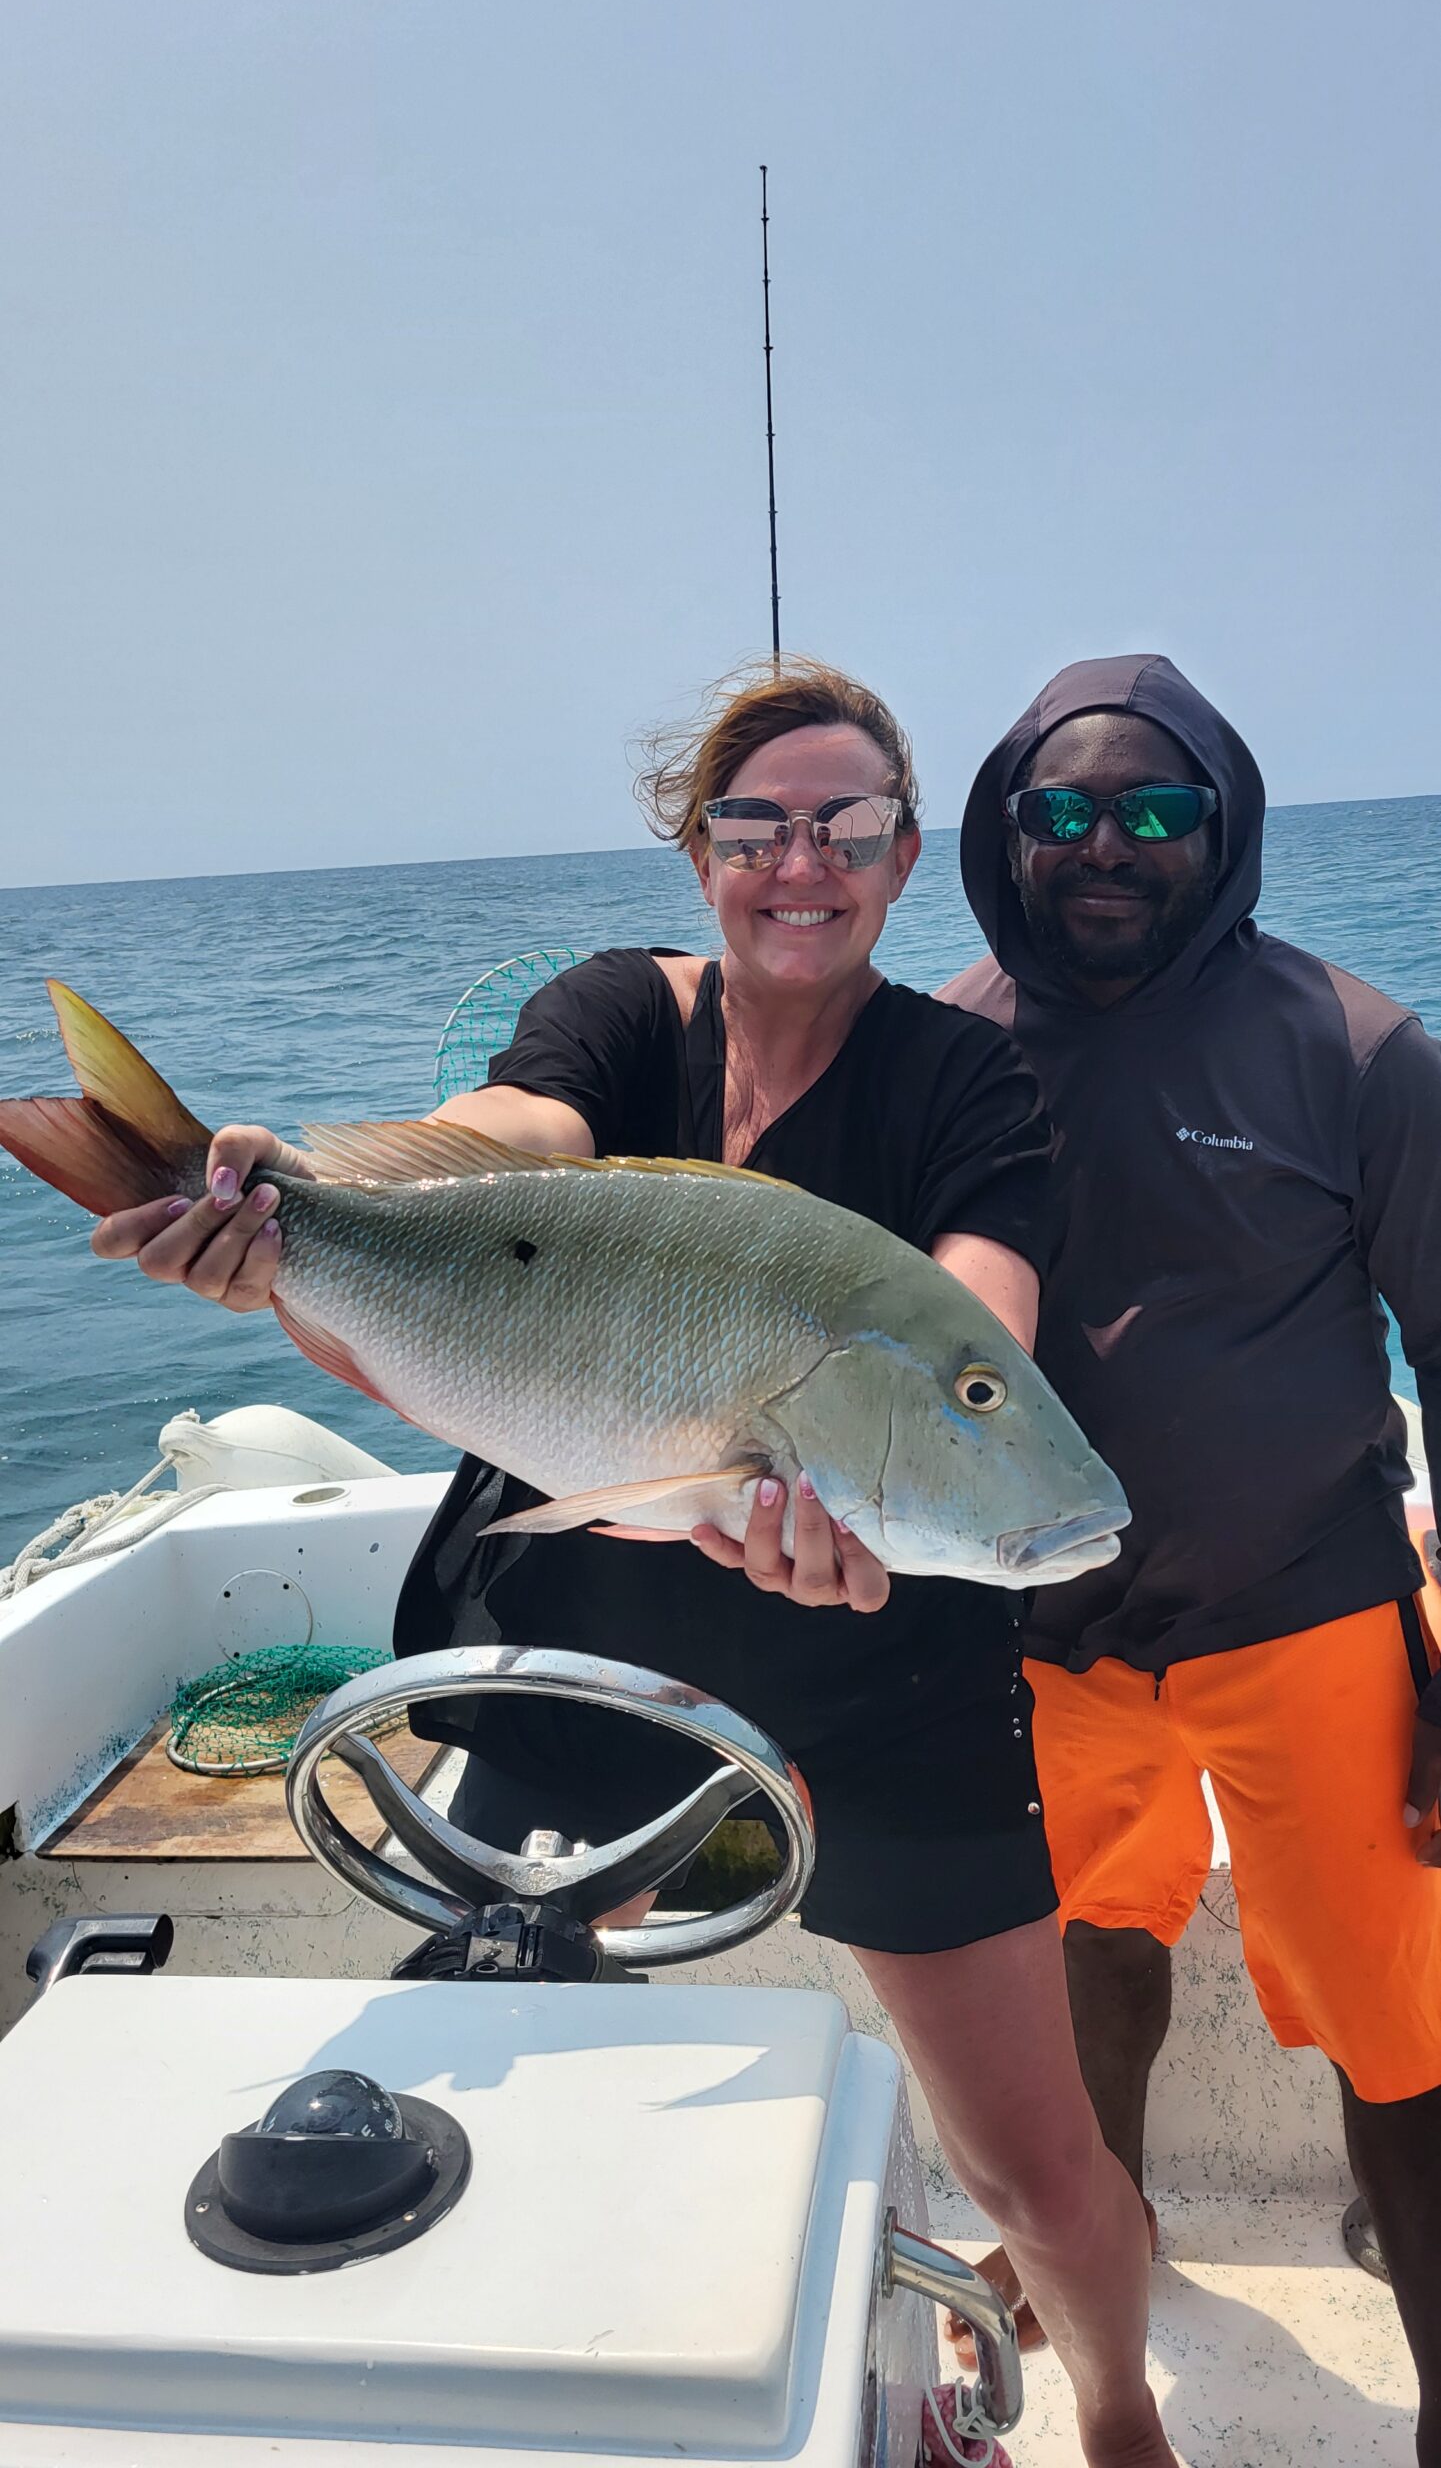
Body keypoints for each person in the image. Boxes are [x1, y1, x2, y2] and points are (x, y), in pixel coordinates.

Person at [92, 657, 1177, 2468]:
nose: (799, 858)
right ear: (699, 853)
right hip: (577, 1653)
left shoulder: (968, 1080)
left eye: (845, 823)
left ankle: (1123, 2418)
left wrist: (925, 1468)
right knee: (489, 2070)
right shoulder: (606, 1016)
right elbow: (506, 1159)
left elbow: (971, 1327)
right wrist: (285, 1217)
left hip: (884, 1682)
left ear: (904, 857)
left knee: (1028, 2151)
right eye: (754, 823)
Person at [940, 653, 1441, 2466]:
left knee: (1397, 2029)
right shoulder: (945, 1044)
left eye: (1154, 810)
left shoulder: (1357, 1048)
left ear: (1218, 830)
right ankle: (1104, 2263)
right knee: (1090, 1944)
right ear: (1006, 829)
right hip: (1043, 1630)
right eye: (1061, 810)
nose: (1105, 845)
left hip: (1307, 1615)